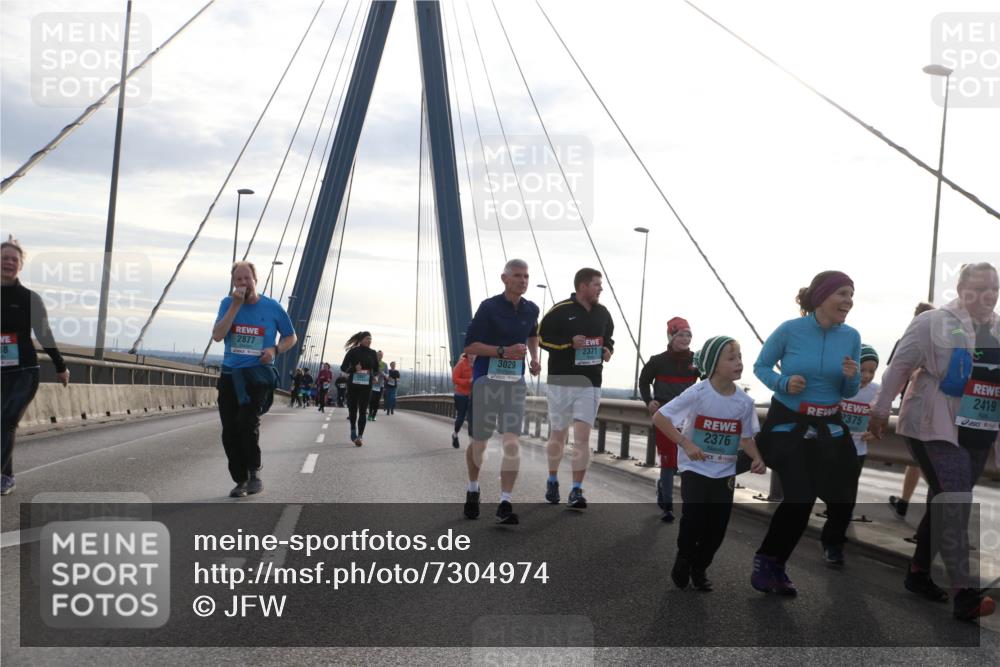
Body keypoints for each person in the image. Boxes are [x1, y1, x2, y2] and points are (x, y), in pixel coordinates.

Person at [869, 262, 998, 621]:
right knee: (956, 501)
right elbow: (898, 366)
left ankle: (918, 572)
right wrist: (880, 412)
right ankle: (965, 594)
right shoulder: (933, 323)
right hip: (935, 425)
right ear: (960, 290)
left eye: (993, 288)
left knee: (945, 499)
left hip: (979, 432)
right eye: (977, 288)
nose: (986, 295)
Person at [751, 270, 861, 594]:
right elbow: (760, 367)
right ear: (821, 297)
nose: (848, 301)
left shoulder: (852, 336)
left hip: (830, 425)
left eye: (851, 295)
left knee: (842, 496)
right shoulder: (790, 330)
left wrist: (851, 377)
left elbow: (850, 390)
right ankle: (768, 562)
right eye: (842, 293)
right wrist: (783, 383)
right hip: (791, 424)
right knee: (800, 497)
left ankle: (811, 550)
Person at [652, 336, 765, 591]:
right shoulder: (698, 392)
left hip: (724, 472)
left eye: (740, 357)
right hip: (695, 467)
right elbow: (660, 418)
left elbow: (745, 438)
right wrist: (686, 443)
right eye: (731, 357)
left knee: (717, 529)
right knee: (694, 520)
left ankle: (700, 567)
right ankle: (684, 558)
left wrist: (757, 457)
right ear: (714, 364)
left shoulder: (744, 402)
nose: (739, 363)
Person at [462, 259, 541, 524]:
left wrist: (534, 357)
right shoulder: (489, 307)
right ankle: (473, 488)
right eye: (518, 276)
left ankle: (505, 502)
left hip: (514, 383)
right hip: (486, 380)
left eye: (526, 276)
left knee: (512, 442)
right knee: (480, 442)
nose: (523, 280)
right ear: (504, 278)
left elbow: (532, 334)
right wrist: (502, 351)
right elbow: (470, 345)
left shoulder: (531, 309)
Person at [211, 261, 296, 497]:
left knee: (247, 423)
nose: (242, 283)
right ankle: (240, 481)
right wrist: (235, 306)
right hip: (230, 376)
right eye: (238, 280)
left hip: (256, 377)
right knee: (229, 431)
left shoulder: (272, 307)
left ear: (255, 280)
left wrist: (275, 350)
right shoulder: (227, 304)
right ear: (233, 283)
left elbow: (291, 336)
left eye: (246, 278)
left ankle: (253, 472)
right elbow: (218, 336)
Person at [537, 267, 614, 509]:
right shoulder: (561, 311)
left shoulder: (603, 313)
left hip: (591, 382)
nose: (600, 289)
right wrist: (568, 343)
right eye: (596, 285)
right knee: (559, 433)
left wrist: (608, 350)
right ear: (582, 286)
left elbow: (609, 337)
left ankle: (576, 490)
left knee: (582, 438)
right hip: (561, 380)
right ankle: (552, 480)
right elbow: (541, 338)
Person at [1, 237, 70, 496]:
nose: (8, 262)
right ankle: (6, 475)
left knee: (7, 420)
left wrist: (60, 366)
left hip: (23, 371)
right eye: (4, 258)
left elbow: (44, 334)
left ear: (20, 266)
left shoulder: (30, 298)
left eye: (13, 259)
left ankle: (1, 475)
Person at [639, 316, 700, 522]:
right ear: (671, 336)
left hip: (689, 418)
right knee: (668, 460)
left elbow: (708, 382)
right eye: (681, 334)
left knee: (683, 462)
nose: (685, 338)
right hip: (665, 416)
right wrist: (649, 401)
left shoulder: (697, 360)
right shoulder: (657, 361)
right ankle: (668, 507)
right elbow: (643, 381)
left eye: (689, 334)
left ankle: (664, 488)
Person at [821, 344, 880, 549]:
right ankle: (832, 530)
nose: (866, 376)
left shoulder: (875, 391)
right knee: (833, 496)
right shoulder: (841, 386)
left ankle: (834, 544)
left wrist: (873, 432)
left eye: (872, 371)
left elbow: (879, 418)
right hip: (832, 448)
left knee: (847, 499)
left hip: (857, 452)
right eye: (863, 370)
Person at [888, 302, 935, 519]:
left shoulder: (908, 340)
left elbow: (894, 373)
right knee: (919, 459)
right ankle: (905, 502)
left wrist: (882, 408)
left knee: (922, 460)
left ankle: (941, 499)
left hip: (912, 406)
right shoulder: (945, 340)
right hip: (936, 408)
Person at [341, 332, 379, 446]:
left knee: (363, 410)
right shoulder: (353, 351)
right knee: (353, 409)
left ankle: (360, 436)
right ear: (361, 339)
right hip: (353, 384)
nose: (369, 341)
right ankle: (353, 430)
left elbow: (376, 369)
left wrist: (376, 377)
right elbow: (343, 367)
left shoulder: (372, 353)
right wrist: (353, 368)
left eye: (370, 339)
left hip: (366, 385)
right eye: (367, 339)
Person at [451, 353, 474, 448]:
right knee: (461, 417)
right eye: (472, 354)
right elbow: (454, 379)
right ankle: (455, 434)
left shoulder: (479, 364)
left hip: (473, 395)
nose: (473, 356)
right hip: (461, 395)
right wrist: (468, 381)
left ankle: (471, 443)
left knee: (472, 419)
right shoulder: (461, 364)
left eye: (476, 354)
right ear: (468, 354)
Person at [368, 351, 385, 421]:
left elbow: (387, 376)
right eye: (378, 355)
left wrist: (382, 373)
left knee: (377, 401)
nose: (379, 356)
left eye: (381, 355)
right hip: (372, 385)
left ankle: (374, 415)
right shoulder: (372, 363)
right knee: (371, 400)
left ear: (382, 356)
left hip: (380, 385)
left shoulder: (384, 364)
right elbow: (368, 372)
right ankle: (370, 414)